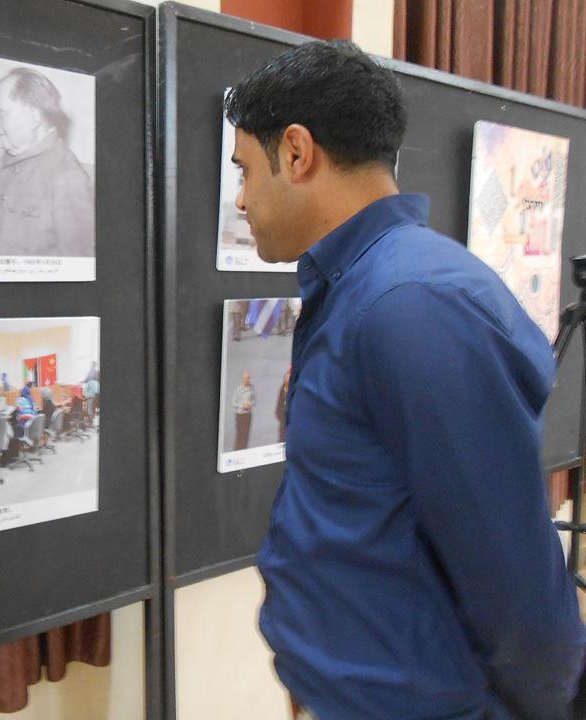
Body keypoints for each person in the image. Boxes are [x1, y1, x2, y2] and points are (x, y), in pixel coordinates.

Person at [225, 40, 585, 719]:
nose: (241, 199)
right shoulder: (359, 285)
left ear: (297, 153)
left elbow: (509, 566)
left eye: (243, 171)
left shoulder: (411, 304)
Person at [0, 68, 94, 257]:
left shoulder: (67, 178)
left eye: (1, 111)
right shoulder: (15, 154)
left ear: (34, 117)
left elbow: (78, 264)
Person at [231, 372, 254, 451]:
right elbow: (233, 402)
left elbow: (254, 400)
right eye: (246, 378)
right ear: (243, 379)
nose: (247, 379)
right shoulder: (238, 389)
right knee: (240, 434)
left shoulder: (252, 389)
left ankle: (244, 450)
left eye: (248, 378)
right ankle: (237, 451)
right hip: (240, 415)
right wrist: (242, 406)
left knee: (246, 434)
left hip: (248, 415)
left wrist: (250, 404)